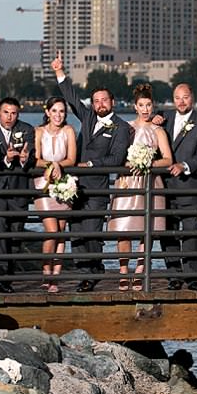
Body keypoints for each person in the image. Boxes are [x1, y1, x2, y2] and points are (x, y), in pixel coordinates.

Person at [51, 50, 132, 292]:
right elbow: (72, 97)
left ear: (112, 102)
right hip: (75, 187)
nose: (100, 104)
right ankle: (84, 272)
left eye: (104, 100)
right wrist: (59, 72)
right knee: (75, 233)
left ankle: (94, 271)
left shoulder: (121, 127)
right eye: (96, 101)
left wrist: (91, 165)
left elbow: (117, 157)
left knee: (91, 232)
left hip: (97, 188)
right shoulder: (86, 117)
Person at [108, 84, 172, 291]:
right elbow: (117, 156)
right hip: (128, 181)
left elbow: (168, 159)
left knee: (147, 230)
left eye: (149, 105)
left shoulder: (158, 130)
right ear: (135, 106)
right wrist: (130, 164)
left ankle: (140, 272)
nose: (145, 109)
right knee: (124, 229)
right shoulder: (126, 128)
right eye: (141, 105)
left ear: (153, 106)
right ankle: (123, 271)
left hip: (150, 183)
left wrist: (148, 163)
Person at [160, 83, 197, 291]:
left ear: (193, 98)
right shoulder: (163, 119)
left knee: (191, 233)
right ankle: (173, 275)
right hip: (164, 187)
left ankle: (192, 277)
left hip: (189, 186)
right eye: (177, 98)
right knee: (168, 233)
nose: (181, 102)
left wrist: (185, 165)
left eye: (185, 97)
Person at [0, 97, 36, 293]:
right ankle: (0, 272)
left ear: (18, 114)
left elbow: (31, 156)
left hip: (18, 189)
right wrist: (5, 159)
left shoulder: (28, 129)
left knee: (15, 233)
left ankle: (8, 278)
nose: (9, 117)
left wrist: (24, 159)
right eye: (6, 112)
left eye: (13, 113)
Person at [32, 96, 77, 293]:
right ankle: (46, 272)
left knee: (61, 230)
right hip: (44, 183)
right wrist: (51, 165)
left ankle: (56, 277)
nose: (58, 115)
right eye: (55, 111)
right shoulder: (38, 131)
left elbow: (72, 159)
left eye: (62, 111)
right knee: (51, 230)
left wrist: (60, 164)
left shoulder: (69, 131)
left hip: (64, 182)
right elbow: (35, 159)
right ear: (47, 112)